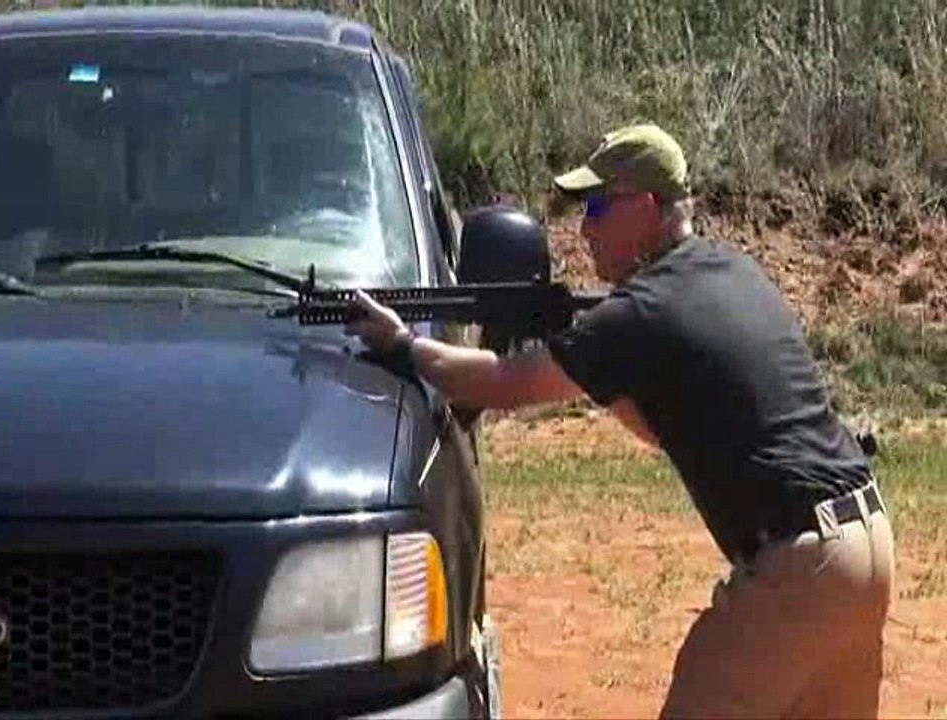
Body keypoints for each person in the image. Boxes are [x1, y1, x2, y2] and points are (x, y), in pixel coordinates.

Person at [345, 123, 896, 719]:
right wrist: (592, 365)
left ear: (645, 207)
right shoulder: (726, 270)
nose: (585, 228)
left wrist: (402, 345)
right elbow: (666, 430)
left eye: (600, 205)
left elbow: (501, 384)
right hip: (865, 547)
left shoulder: (646, 308)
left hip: (801, 566)